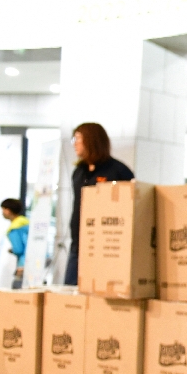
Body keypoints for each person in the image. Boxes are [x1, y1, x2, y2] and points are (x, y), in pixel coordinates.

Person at [64, 123, 133, 286]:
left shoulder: (118, 171)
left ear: (91, 140)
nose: (74, 143)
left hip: (107, 246)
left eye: (78, 139)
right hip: (78, 244)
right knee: (70, 290)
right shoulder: (79, 172)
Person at [1, 199, 29, 290]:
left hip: (24, 262)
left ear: (8, 210)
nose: (2, 213)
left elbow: (18, 249)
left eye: (3, 209)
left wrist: (11, 250)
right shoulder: (26, 222)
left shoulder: (14, 228)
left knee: (17, 287)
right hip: (36, 261)